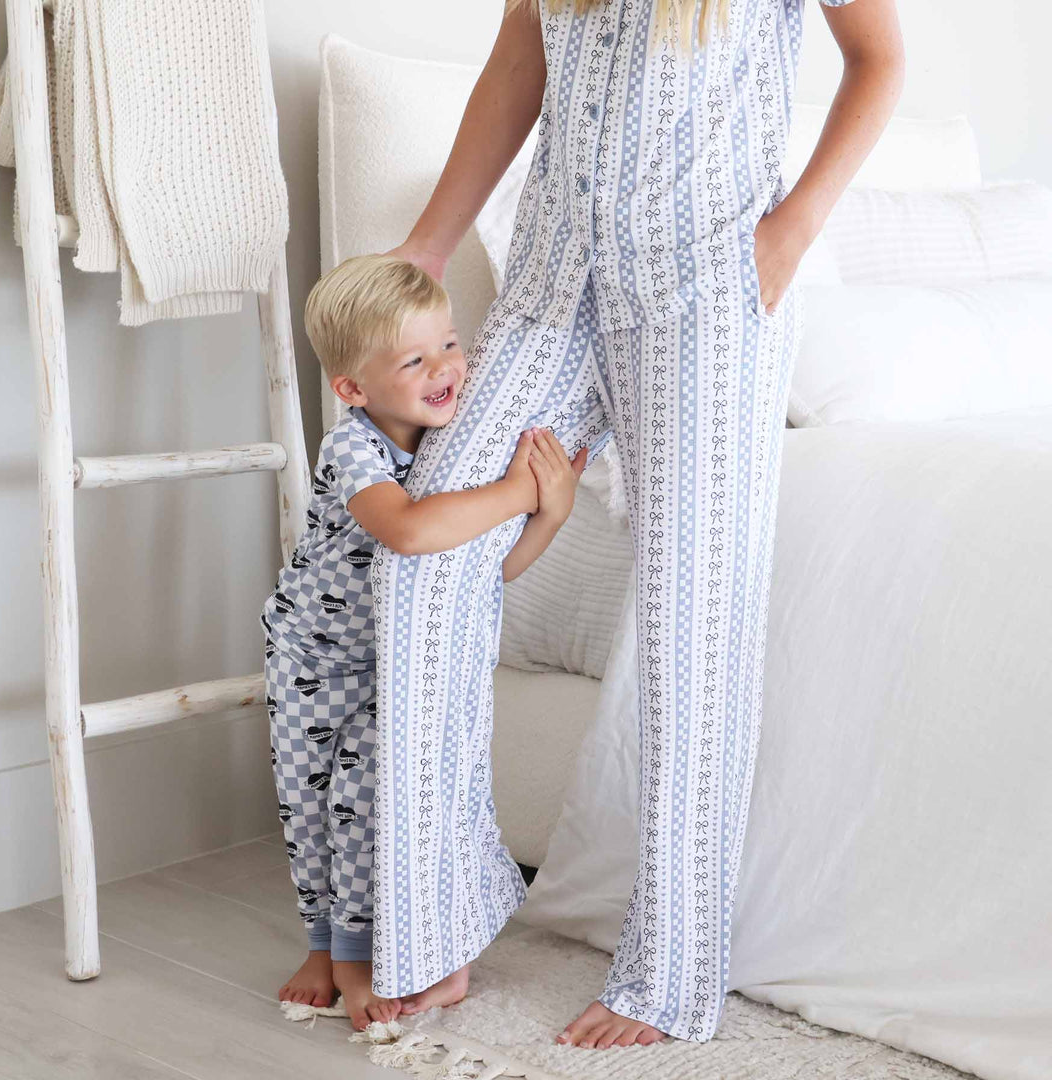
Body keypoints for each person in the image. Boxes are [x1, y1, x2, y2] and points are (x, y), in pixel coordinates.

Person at [370, 0, 904, 1049]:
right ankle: (438, 923)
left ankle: (671, 974)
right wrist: (430, 241)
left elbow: (879, 59)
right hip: (551, 281)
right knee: (425, 557)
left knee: (692, 628)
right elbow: (523, 57)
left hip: (708, 291)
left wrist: (788, 235)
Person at [261, 253, 588, 1031]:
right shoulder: (356, 450)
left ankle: (362, 953)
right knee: (309, 807)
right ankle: (324, 947)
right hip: (314, 656)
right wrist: (517, 491)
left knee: (367, 800)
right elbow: (408, 533)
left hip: (395, 666)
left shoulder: (454, 448)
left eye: (450, 343)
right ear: (354, 389)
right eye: (415, 359)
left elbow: (485, 573)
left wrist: (552, 514)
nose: (445, 367)